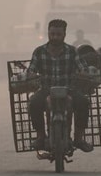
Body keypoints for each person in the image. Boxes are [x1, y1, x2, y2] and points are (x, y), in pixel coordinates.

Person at [26, 19, 93, 153]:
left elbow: (83, 68)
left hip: (69, 89)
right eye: (52, 34)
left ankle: (78, 138)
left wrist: (84, 74)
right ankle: (40, 136)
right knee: (33, 103)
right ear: (48, 34)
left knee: (84, 102)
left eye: (58, 34)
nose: (55, 37)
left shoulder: (72, 51)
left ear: (64, 35)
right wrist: (31, 75)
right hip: (46, 90)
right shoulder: (39, 52)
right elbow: (31, 70)